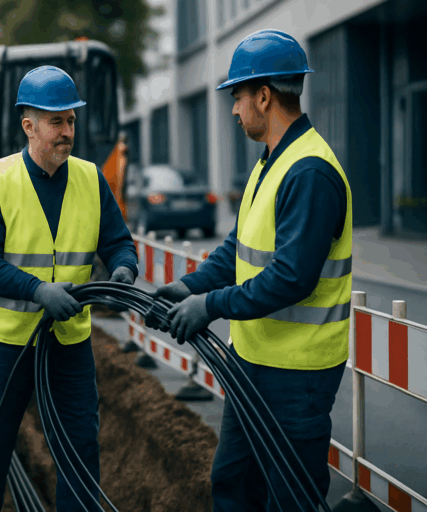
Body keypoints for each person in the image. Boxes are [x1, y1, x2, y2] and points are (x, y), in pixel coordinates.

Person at [145, 29, 352, 511]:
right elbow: (238, 249)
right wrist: (186, 287)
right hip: (254, 365)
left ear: (263, 95)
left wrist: (209, 305)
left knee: (289, 500)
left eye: (238, 98)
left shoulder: (310, 171)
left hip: (295, 376)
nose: (234, 110)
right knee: (233, 485)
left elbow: (291, 278)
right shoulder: (270, 164)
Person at [0, 65, 138, 511]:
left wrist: (123, 269)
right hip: (5, 345)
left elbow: (118, 243)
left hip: (68, 343)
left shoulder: (90, 177)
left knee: (80, 452)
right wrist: (38, 290)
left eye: (71, 121)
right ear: (29, 126)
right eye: (56, 121)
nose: (66, 131)